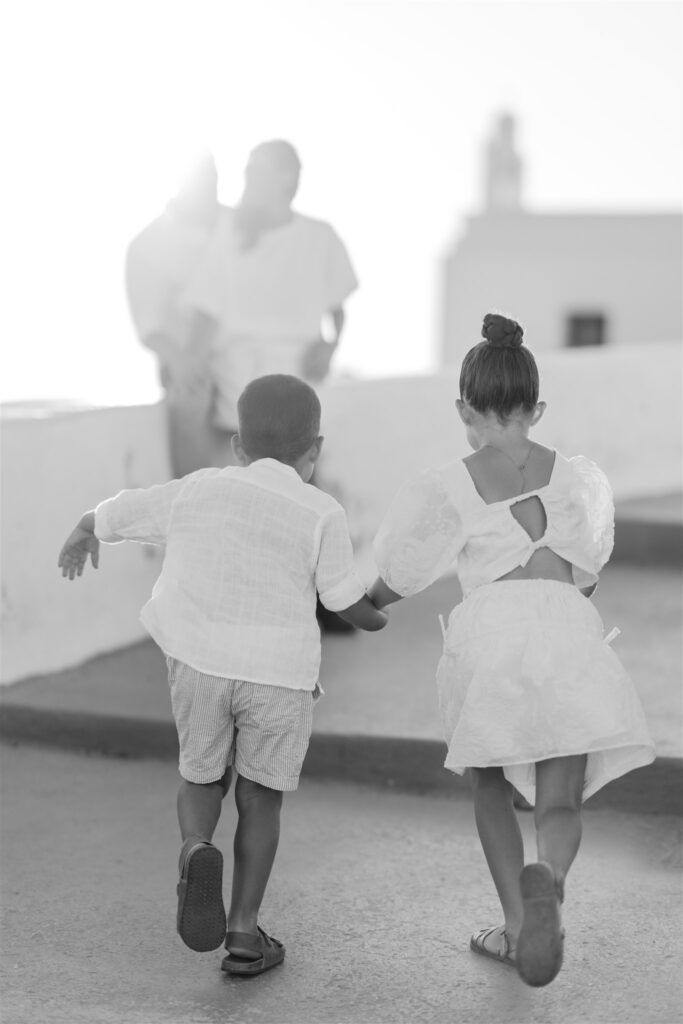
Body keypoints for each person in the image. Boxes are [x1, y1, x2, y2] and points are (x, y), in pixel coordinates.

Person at [57, 374, 387, 975]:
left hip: (200, 662)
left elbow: (128, 509)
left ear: (238, 445)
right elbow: (345, 602)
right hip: (279, 677)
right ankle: (242, 931)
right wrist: (378, 615)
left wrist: (87, 524)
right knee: (261, 798)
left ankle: (196, 849)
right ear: (314, 452)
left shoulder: (200, 488)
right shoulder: (320, 511)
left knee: (203, 777)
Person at [367, 314, 655, 988]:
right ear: (538, 409)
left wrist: (365, 602)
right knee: (560, 802)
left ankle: (515, 926)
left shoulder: (448, 482)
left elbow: (405, 570)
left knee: (489, 785)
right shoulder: (577, 479)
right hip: (564, 629)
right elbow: (588, 572)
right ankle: (547, 879)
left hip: (490, 638)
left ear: (464, 408)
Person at [177, 139, 358, 468]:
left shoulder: (320, 236)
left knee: (296, 495)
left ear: (287, 177)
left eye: (258, 169)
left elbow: (338, 309)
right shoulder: (229, 233)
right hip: (235, 391)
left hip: (299, 389)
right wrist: (187, 367)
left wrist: (331, 346)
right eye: (248, 169)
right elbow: (205, 309)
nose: (248, 176)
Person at [125, 152, 222, 477]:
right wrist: (188, 366)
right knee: (199, 488)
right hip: (193, 385)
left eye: (213, 177)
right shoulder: (148, 245)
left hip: (251, 373)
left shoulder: (234, 228)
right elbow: (150, 326)